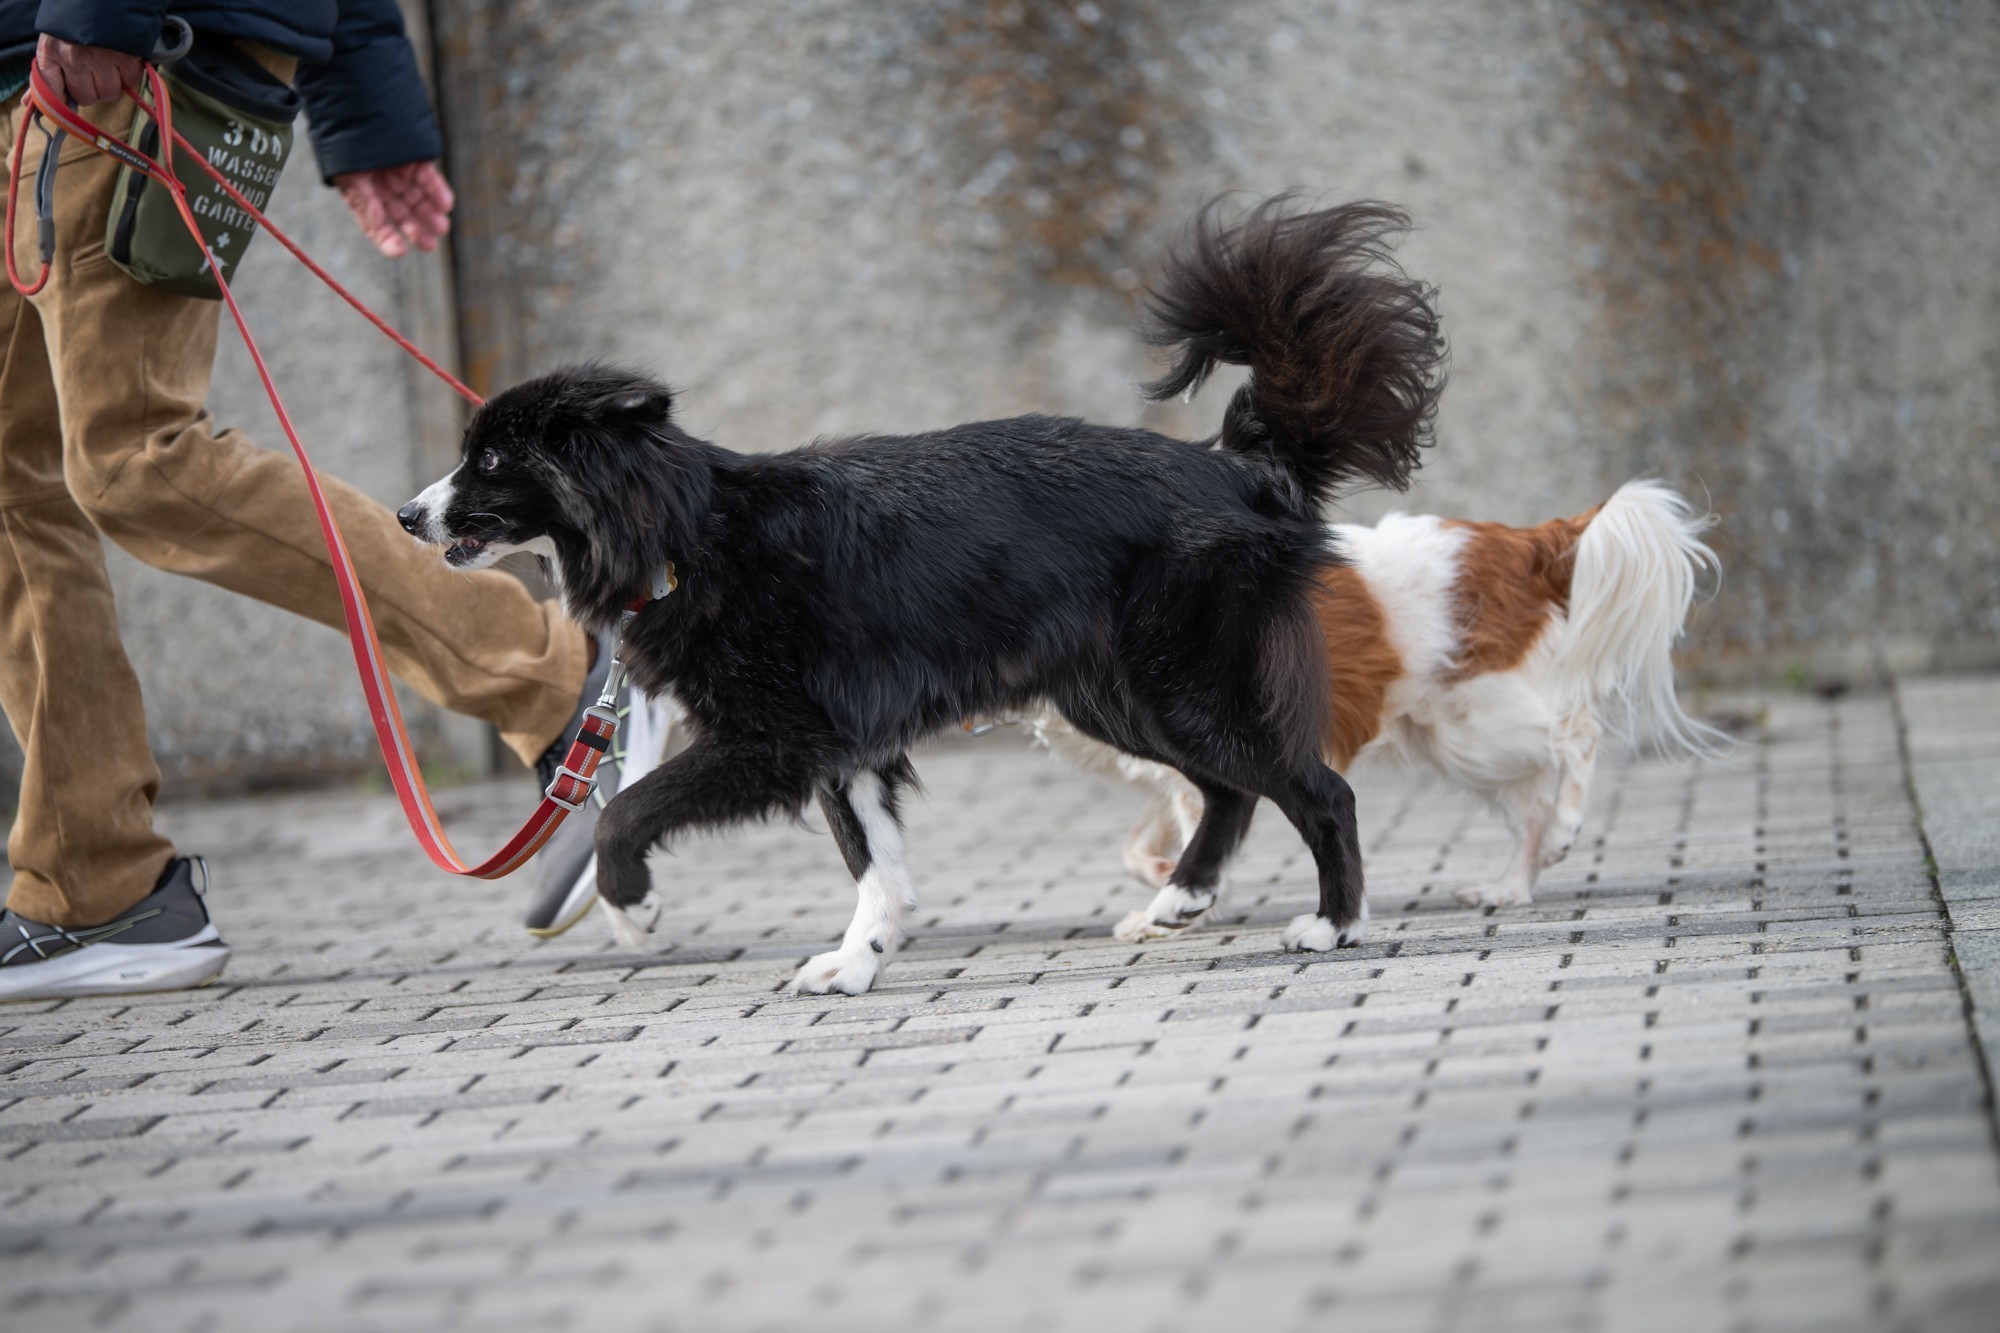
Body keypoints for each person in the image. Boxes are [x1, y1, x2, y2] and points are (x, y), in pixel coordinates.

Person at [0, 1, 642, 1002]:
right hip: (44, 69)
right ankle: (94, 887)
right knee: (12, 490)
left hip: (116, 58)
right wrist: (368, 112)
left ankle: (557, 679)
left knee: (139, 460)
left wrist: (99, 9)